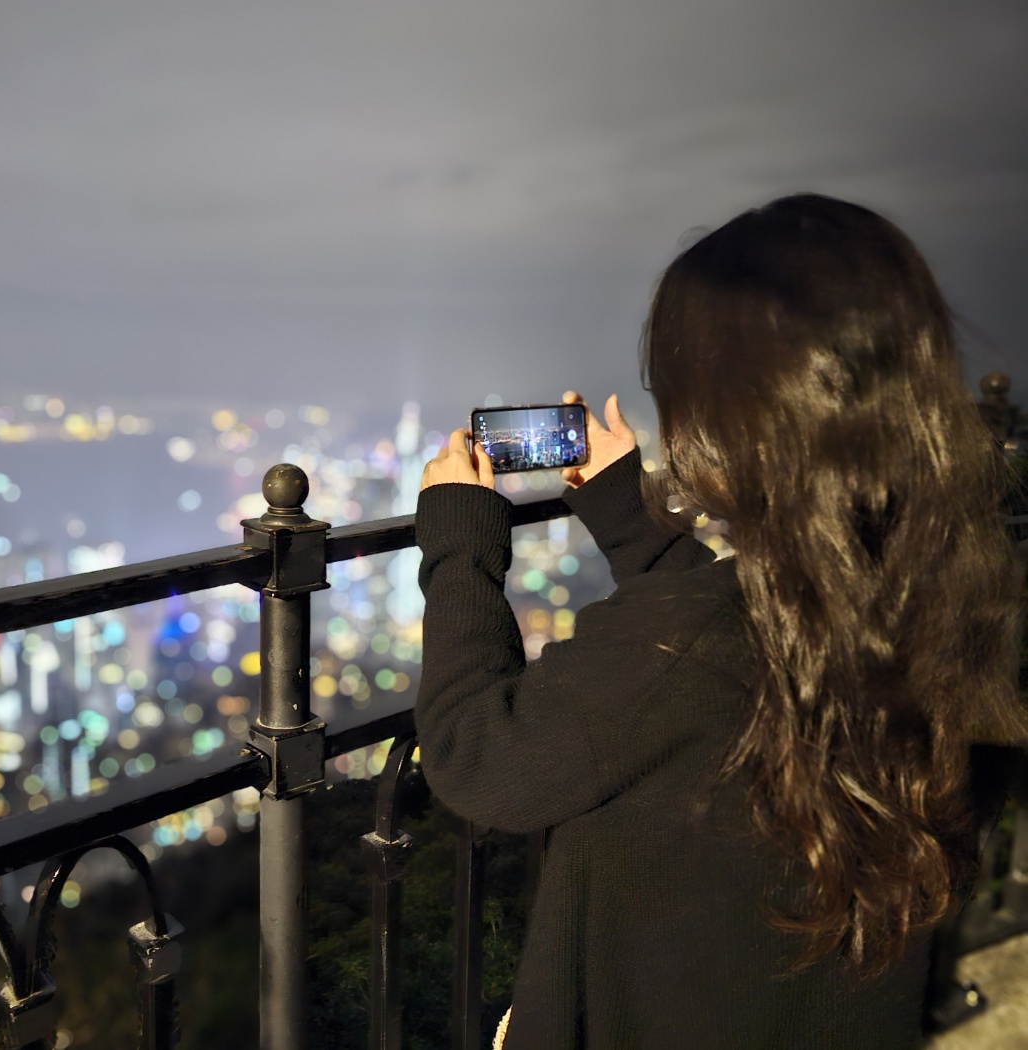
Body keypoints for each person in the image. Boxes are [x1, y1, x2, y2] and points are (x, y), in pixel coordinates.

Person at [414, 193, 1028, 1048]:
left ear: (729, 416)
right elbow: (739, 645)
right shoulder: (938, 596)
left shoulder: (699, 638)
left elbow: (476, 756)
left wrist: (458, 545)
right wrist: (629, 512)